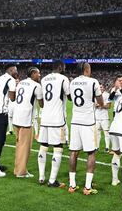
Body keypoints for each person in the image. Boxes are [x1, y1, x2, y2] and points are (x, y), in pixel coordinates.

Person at [68, 62, 104, 195]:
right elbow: (100, 102)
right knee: (91, 152)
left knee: (73, 152)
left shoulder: (72, 82)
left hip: (75, 121)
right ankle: (87, 187)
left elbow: (72, 98)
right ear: (86, 69)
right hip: (88, 122)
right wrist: (97, 103)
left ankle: (72, 185)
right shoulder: (93, 81)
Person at [37, 60, 70, 188]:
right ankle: (52, 180)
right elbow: (70, 96)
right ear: (60, 67)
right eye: (64, 66)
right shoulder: (63, 78)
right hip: (57, 119)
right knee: (58, 148)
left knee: (43, 146)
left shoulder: (44, 79)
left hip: (45, 118)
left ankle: (41, 177)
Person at [13, 67, 43, 178]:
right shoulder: (36, 85)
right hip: (26, 119)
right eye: (38, 73)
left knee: (19, 145)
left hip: (17, 117)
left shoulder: (21, 83)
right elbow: (42, 104)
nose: (39, 75)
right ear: (33, 73)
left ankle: (18, 169)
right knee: (25, 147)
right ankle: (21, 172)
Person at [0, 64, 18, 178]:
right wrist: (16, 88)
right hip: (0, 112)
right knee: (0, 140)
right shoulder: (10, 79)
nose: (17, 72)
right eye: (15, 70)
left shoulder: (0, 78)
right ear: (10, 70)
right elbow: (12, 98)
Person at [95, 84, 111, 152]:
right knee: (97, 133)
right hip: (96, 117)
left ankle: (107, 147)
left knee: (106, 133)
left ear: (104, 88)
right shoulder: (95, 95)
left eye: (101, 87)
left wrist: (101, 105)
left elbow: (109, 106)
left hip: (104, 117)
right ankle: (97, 147)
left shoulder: (107, 95)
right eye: (99, 87)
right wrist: (95, 105)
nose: (100, 88)